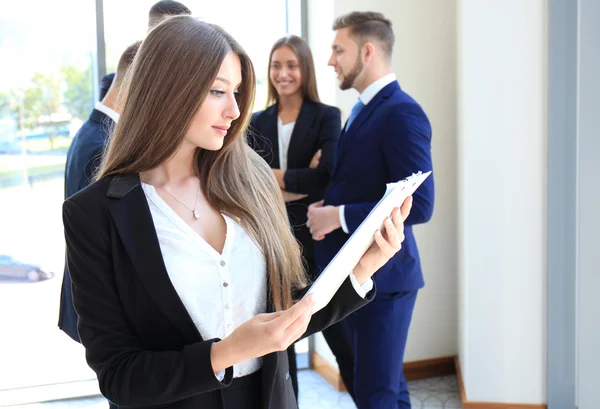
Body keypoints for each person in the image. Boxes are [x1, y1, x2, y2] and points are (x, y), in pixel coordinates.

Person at [62, 17, 411, 409]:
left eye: (238, 92)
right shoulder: (93, 215)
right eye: (217, 91)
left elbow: (290, 314)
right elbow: (119, 376)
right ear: (166, 89)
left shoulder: (252, 183)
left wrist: (366, 265)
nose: (233, 110)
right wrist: (225, 353)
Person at [306, 11, 435, 409]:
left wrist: (337, 215)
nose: (330, 61)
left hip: (387, 281)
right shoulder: (363, 109)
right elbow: (366, 183)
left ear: (367, 50)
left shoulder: (401, 112)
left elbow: (422, 203)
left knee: (377, 394)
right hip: (359, 275)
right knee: (382, 389)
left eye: (337, 50)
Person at [249, 34, 343, 400]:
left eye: (291, 65)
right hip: (272, 239)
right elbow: (247, 182)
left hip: (316, 238)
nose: (282, 73)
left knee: (337, 332)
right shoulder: (258, 120)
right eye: (276, 65)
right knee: (282, 339)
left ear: (305, 69)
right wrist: (297, 179)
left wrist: (270, 177)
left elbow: (326, 176)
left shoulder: (327, 116)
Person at [99, 0, 191, 100]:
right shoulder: (116, 84)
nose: (181, 40)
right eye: (171, 32)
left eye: (187, 32)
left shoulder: (196, 80)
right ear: (150, 33)